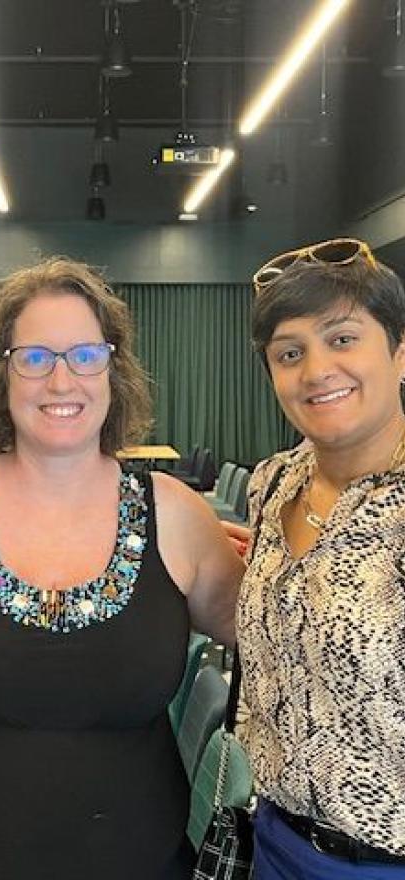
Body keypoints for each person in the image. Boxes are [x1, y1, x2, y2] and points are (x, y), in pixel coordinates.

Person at [0, 256, 244, 880]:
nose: (61, 380)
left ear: (114, 369)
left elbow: (281, 645)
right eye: (35, 357)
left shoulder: (177, 516)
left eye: (84, 355)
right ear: (2, 373)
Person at [237, 238, 405, 879]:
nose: (314, 371)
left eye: (341, 339)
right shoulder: (272, 483)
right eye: (289, 352)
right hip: (275, 842)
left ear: (398, 350)